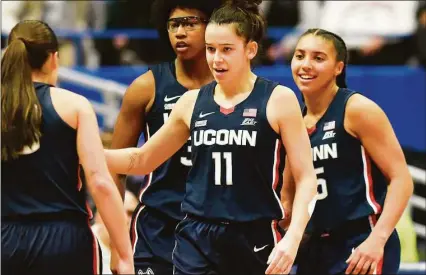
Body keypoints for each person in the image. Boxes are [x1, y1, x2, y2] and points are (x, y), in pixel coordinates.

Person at [105, 0, 318, 274]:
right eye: (211, 49)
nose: (216, 59)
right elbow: (142, 159)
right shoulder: (191, 103)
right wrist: (86, 154)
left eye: (227, 50)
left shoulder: (278, 99)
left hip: (253, 234)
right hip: (196, 235)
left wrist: (293, 237)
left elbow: (306, 178)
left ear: (250, 50)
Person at [1, 20, 134, 275]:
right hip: (64, 240)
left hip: (7, 240)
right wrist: (124, 255)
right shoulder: (74, 106)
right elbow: (101, 184)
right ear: (54, 59)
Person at [284, 28, 414, 275]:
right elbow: (288, 198)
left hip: (361, 238)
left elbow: (401, 179)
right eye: (299, 56)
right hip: (316, 246)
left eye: (318, 58)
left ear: (338, 67)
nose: (306, 65)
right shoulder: (294, 120)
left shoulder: (357, 109)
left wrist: (378, 239)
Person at [108, 0, 221, 274]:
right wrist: (116, 246)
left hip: (216, 227)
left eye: (190, 23)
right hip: (157, 228)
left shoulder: (233, 88)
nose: (180, 32)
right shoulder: (146, 87)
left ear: (212, 26)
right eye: (174, 25)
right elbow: (114, 168)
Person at [92, 190, 139, 274]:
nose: (124, 219)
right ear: (99, 216)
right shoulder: (80, 244)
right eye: (117, 210)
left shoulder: (142, 251)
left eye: (130, 213)